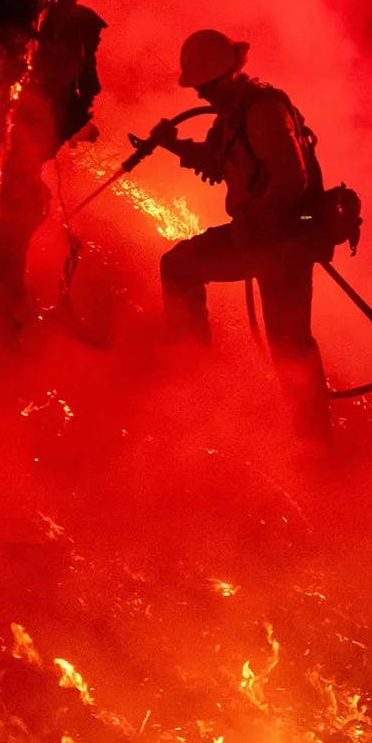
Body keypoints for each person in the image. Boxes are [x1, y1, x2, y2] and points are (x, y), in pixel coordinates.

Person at [145, 30, 331, 442]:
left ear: (226, 76)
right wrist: (172, 146)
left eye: (205, 86)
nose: (200, 96)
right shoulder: (232, 114)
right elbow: (215, 165)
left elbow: (292, 180)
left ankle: (316, 450)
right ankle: (192, 375)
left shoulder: (263, 112)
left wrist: (253, 224)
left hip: (283, 246)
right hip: (258, 240)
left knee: (290, 346)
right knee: (179, 266)